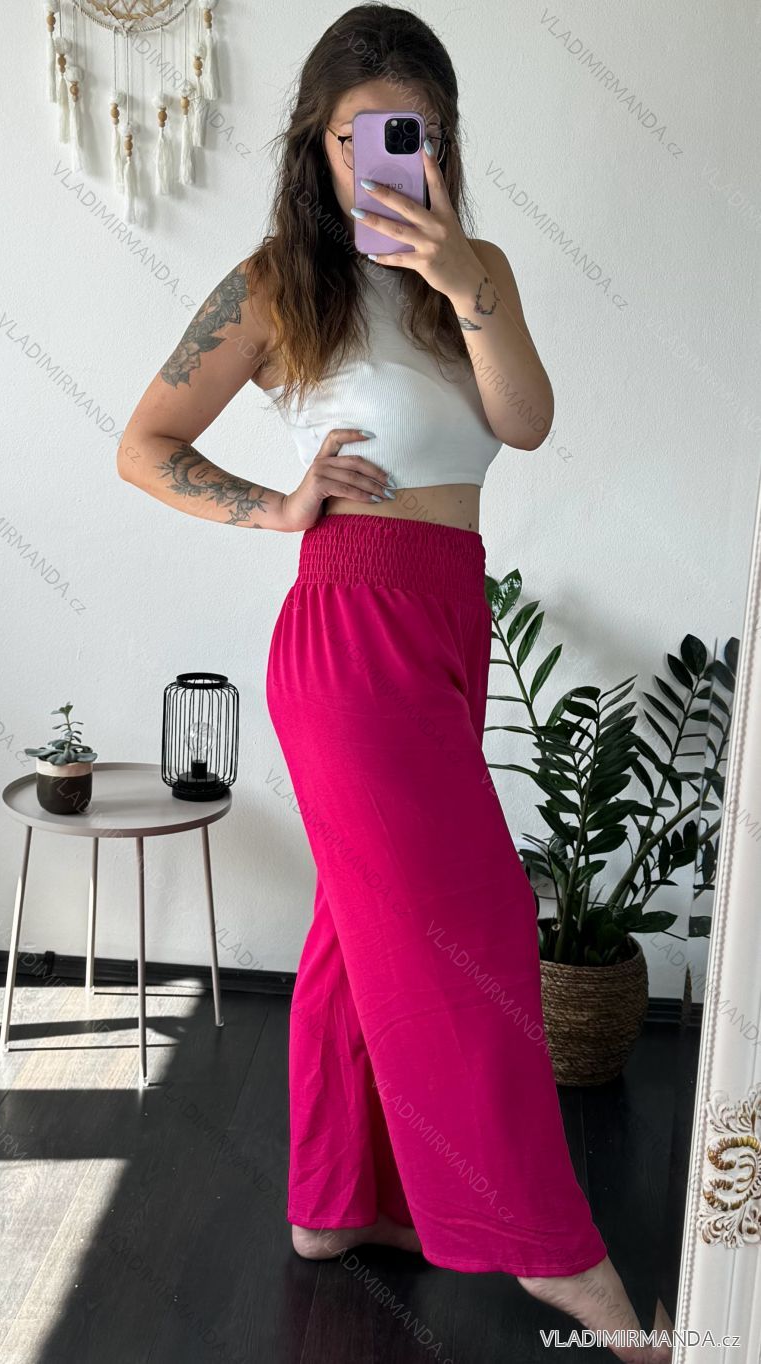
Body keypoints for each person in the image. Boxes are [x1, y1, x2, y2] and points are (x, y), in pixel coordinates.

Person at [118, 8, 667, 1362]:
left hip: (445, 623)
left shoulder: (473, 275)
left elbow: (523, 424)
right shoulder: (273, 286)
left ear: (444, 141)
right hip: (349, 628)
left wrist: (465, 279)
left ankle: (333, 1204)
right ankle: (554, 1256)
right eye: (352, 135)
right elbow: (146, 442)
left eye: (408, 133)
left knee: (355, 928)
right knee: (472, 923)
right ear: (314, 146)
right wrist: (273, 507)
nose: (380, 159)